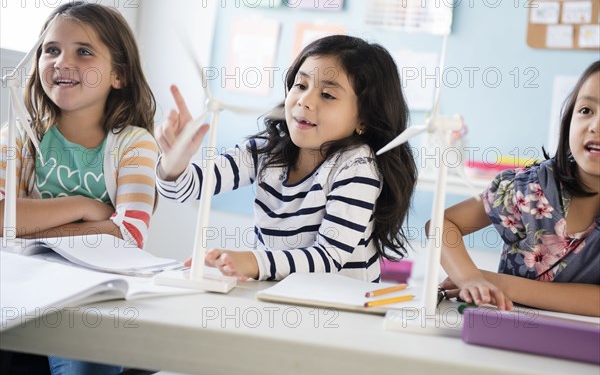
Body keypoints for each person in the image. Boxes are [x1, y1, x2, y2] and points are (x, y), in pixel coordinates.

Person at [156, 35, 418, 282]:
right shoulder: (267, 150)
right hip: (281, 294)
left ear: (364, 119)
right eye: (300, 85)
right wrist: (175, 160)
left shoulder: (357, 166)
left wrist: (252, 262)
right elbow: (185, 189)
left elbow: (327, 258)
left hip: (342, 309)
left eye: (327, 95)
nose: (304, 101)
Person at [0, 2, 159, 375]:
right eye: (51, 50)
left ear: (118, 75)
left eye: (83, 52)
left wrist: (27, 230)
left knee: (83, 371)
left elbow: (129, 233)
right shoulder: (21, 136)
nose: (61, 61)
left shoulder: (134, 145)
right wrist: (86, 207)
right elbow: (2, 220)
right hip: (22, 292)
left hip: (93, 302)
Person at [435, 60, 600, 317]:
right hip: (504, 329)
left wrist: (498, 283)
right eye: (586, 110)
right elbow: (440, 223)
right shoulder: (530, 187)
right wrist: (469, 277)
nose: (595, 126)